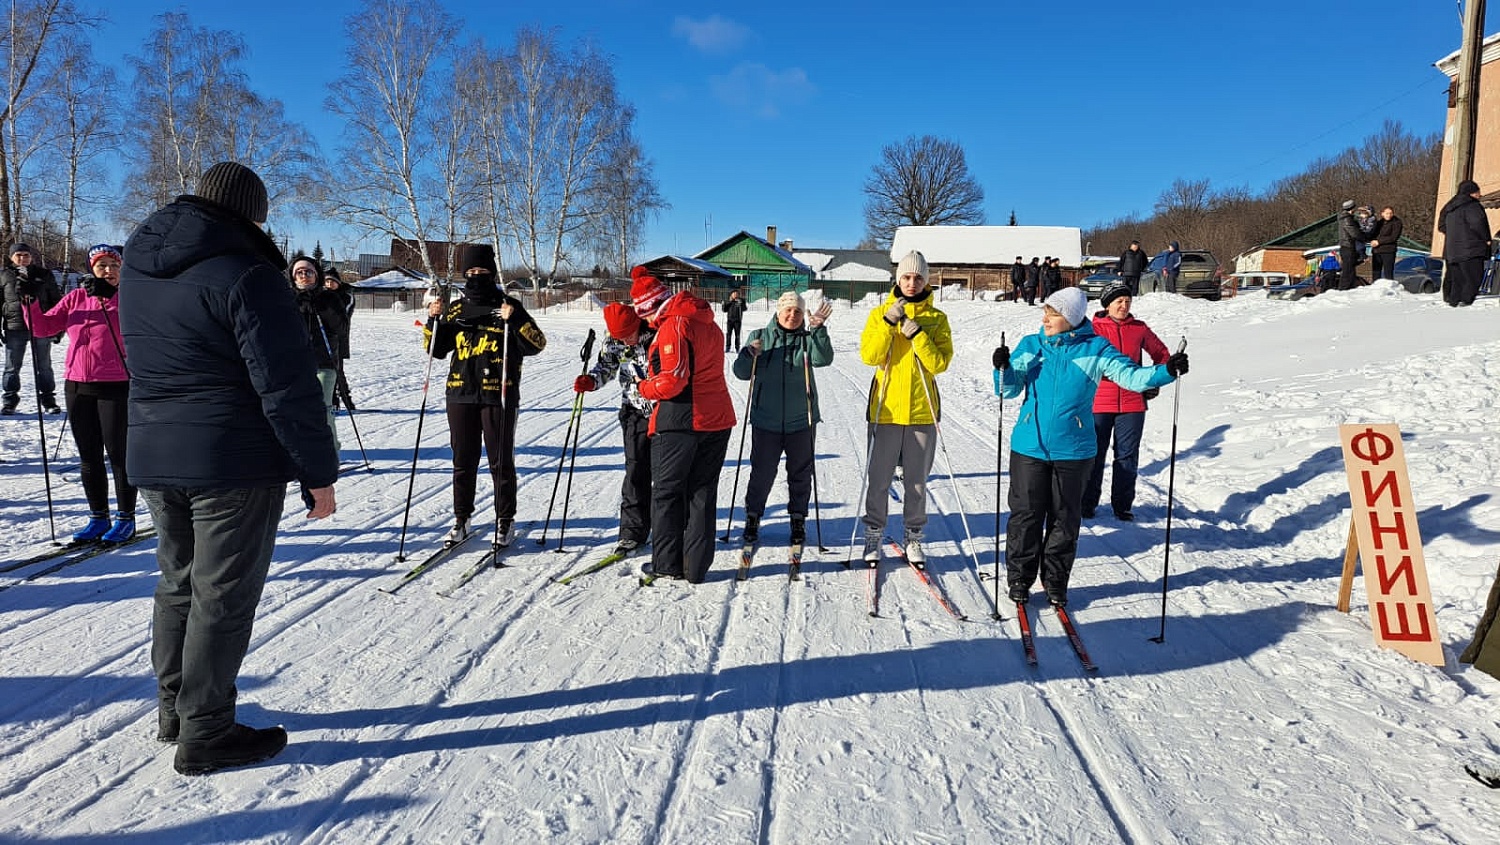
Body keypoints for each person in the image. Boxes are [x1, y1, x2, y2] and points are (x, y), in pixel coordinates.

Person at [118, 160, 338, 775]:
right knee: (222, 595)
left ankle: (176, 710)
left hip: (156, 451)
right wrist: (318, 471)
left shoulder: (138, 268)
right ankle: (207, 731)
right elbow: (287, 385)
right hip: (232, 459)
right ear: (250, 214)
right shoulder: (248, 273)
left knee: (178, 583)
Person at [993, 286, 1186, 608]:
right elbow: (1007, 390)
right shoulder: (1032, 345)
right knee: (1025, 517)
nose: (1045, 319)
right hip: (1029, 446)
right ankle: (1019, 578)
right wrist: (1003, 367)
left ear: (1070, 317)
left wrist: (1167, 371)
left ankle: (1055, 581)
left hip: (1075, 450)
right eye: (1045, 312)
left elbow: (1134, 378)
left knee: (1065, 520)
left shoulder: (1096, 349)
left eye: (1052, 313)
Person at [425, 243, 547, 545]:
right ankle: (461, 518)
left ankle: (505, 520)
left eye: (481, 271)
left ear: (492, 273)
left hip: (498, 394)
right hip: (460, 392)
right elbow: (435, 350)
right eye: (470, 272)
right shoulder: (456, 307)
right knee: (462, 461)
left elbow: (537, 344)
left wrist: (515, 319)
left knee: (500, 460)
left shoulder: (508, 305)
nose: (475, 276)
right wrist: (433, 321)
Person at [24, 244, 136, 542]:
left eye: (113, 265)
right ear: (92, 268)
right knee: (89, 456)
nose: (108, 270)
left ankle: (126, 517)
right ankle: (98, 516)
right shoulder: (76, 297)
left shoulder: (130, 298)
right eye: (101, 266)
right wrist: (29, 301)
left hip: (114, 385)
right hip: (77, 384)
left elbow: (135, 326)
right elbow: (44, 327)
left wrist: (109, 297)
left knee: (119, 455)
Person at [633, 266, 735, 583]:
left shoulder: (675, 325)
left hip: (682, 420)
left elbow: (673, 380)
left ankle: (667, 563)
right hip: (716, 418)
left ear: (649, 306)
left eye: (642, 311)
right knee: (702, 492)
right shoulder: (710, 324)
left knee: (667, 493)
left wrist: (644, 387)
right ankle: (696, 566)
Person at [857, 250, 952, 567]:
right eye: (906, 277)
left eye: (918, 277)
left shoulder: (937, 319)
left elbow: (939, 364)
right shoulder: (879, 313)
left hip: (922, 412)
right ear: (898, 279)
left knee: (916, 482)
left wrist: (918, 334)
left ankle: (914, 536)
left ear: (927, 281)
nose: (912, 283)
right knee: (879, 479)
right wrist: (888, 324)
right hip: (885, 411)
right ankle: (874, 534)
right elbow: (870, 357)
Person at [732, 290, 833, 547]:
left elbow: (824, 359)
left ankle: (798, 518)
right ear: (778, 312)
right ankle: (753, 516)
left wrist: (819, 330)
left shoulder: (807, 340)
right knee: (762, 472)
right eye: (788, 310)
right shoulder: (760, 338)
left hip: (802, 420)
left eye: (798, 311)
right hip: (766, 420)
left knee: (800, 473)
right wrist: (748, 355)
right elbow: (741, 373)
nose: (792, 315)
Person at [1080, 282, 1170, 522]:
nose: (1124, 305)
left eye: (1128, 301)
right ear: (1107, 304)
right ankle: (1086, 504)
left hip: (1132, 403)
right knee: (1094, 454)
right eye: (1118, 301)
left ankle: (1122, 506)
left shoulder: (1139, 328)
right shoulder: (1093, 328)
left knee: (1127, 455)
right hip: (1099, 401)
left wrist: (1152, 380)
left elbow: (1163, 355)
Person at [575, 302, 657, 556]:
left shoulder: (656, 332)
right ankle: (632, 532)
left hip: (663, 410)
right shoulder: (612, 341)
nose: (626, 340)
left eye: (629, 335)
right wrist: (591, 380)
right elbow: (606, 367)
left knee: (667, 476)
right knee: (635, 471)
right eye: (621, 337)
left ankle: (672, 529)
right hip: (633, 410)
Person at [288, 255, 349, 453]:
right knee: (295, 411)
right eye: (299, 272)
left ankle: (331, 451)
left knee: (322, 411)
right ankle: (303, 451)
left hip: (324, 363)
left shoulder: (328, 297)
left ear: (316, 275)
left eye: (308, 271)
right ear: (293, 276)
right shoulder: (287, 299)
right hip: (295, 365)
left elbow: (341, 328)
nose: (304, 275)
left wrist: (322, 307)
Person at [1, 243, 62, 414]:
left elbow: (56, 300)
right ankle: (10, 400)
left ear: (31, 256)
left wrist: (58, 328)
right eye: (18, 255)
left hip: (40, 326)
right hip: (15, 327)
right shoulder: (4, 275)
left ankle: (49, 399)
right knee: (12, 366)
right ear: (11, 257)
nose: (22, 258)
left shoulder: (44, 274)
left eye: (26, 255)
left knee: (44, 366)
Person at [1439, 180, 1492, 307]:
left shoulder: (1449, 207)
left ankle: (1453, 301)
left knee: (1456, 278)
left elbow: (1441, 226)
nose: (1480, 195)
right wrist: (1486, 239)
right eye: (1478, 192)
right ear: (1471, 193)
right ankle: (1466, 302)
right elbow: (1478, 223)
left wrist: (1455, 234)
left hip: (1452, 250)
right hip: (1471, 248)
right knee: (1472, 277)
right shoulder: (1472, 206)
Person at [323, 266, 357, 410]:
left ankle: (346, 400)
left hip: (339, 339)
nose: (329, 285)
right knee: (326, 371)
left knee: (338, 371)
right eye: (326, 282)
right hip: (323, 339)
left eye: (332, 281)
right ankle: (331, 400)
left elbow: (344, 316)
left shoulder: (346, 296)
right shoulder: (322, 296)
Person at [1366, 207, 1403, 282]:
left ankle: (1388, 289)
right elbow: (1372, 234)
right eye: (1387, 213)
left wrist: (1378, 242)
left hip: (1388, 251)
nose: (1389, 215)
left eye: (1390, 213)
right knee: (1376, 272)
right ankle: (1375, 288)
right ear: (1382, 214)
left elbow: (1393, 237)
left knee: (1388, 273)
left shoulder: (1397, 222)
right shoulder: (1379, 223)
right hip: (1377, 251)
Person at [1336, 200, 1364, 291]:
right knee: (1348, 271)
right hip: (1348, 246)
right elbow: (1354, 233)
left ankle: (1349, 288)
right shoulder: (1347, 219)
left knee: (1350, 270)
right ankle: (1344, 289)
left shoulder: (1344, 218)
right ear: (1351, 209)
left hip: (1345, 246)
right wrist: (1364, 236)